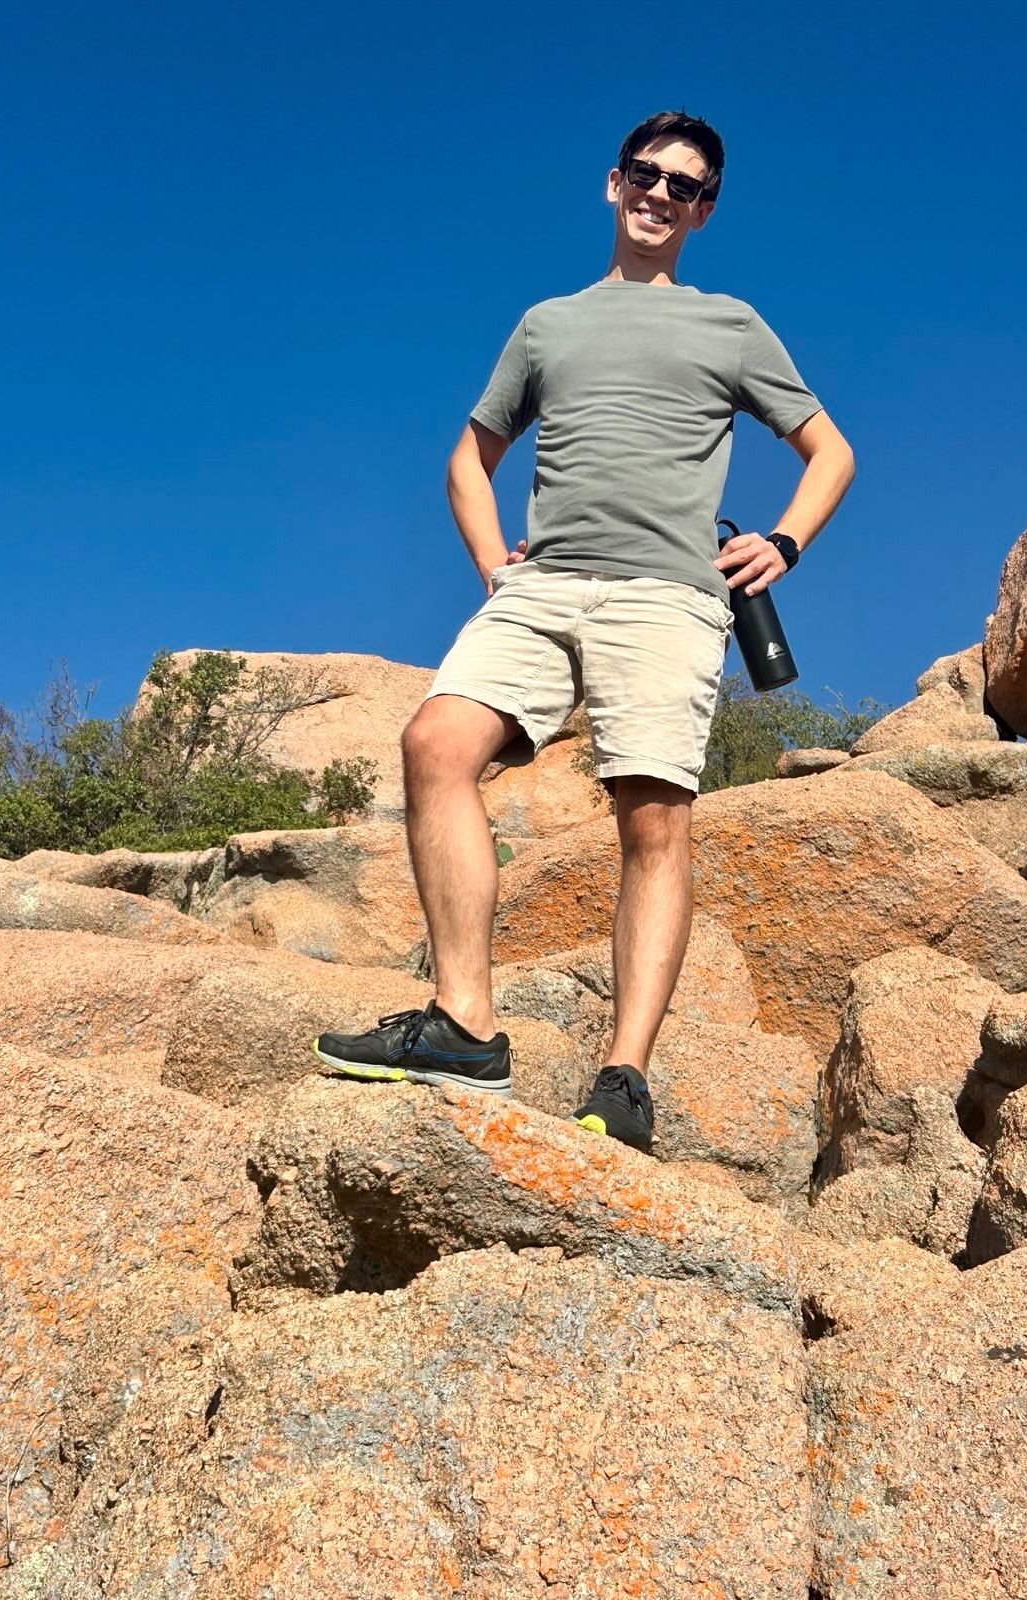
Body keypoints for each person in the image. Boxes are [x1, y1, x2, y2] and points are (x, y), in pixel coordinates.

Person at [314, 109, 855, 1153]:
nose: (661, 194)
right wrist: (492, 564)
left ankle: (624, 1076)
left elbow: (830, 450)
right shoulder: (546, 325)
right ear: (614, 183)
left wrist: (784, 542)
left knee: (651, 818)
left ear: (704, 212)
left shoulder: (731, 325)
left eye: (686, 186)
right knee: (435, 742)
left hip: (666, 595)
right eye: (647, 174)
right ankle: (464, 1023)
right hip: (542, 585)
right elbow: (469, 459)